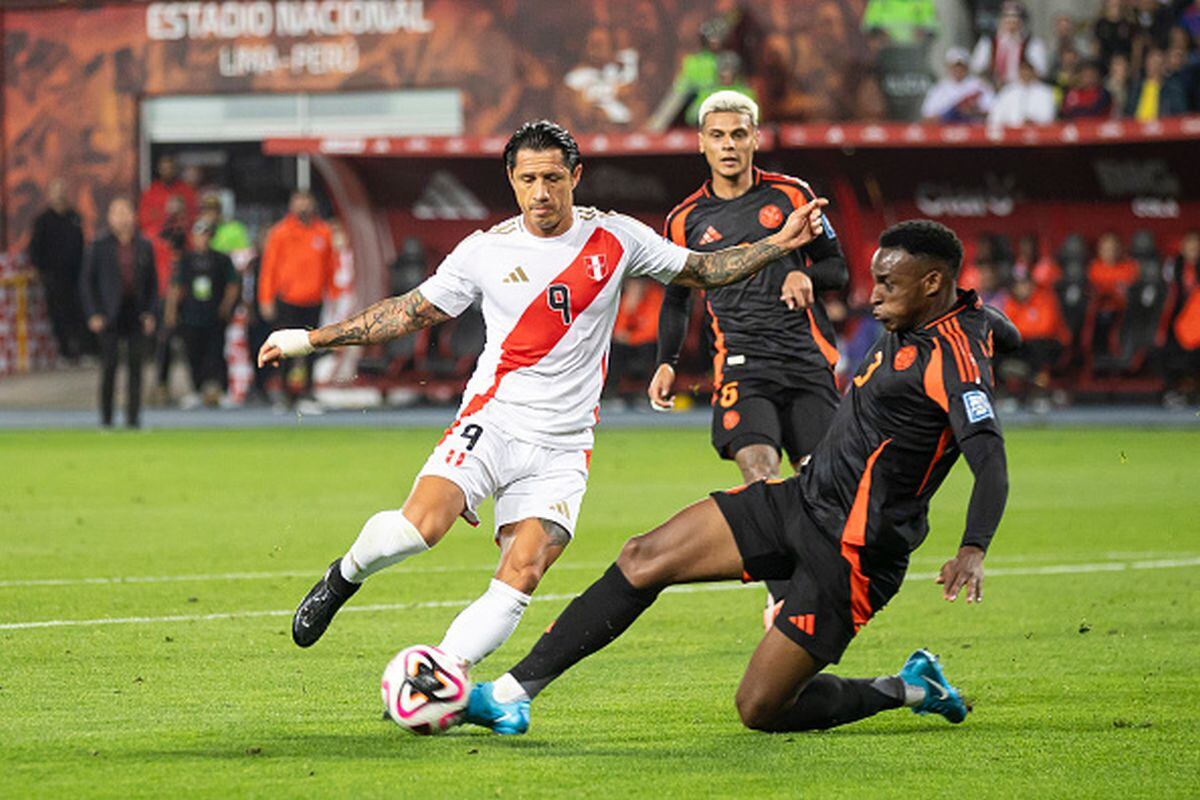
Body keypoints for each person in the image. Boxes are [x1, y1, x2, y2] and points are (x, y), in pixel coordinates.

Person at [258, 121, 829, 674]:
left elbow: (703, 270)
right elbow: (409, 310)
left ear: (575, 177)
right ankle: (346, 574)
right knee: (417, 531)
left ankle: (439, 673)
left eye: (553, 178)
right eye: (528, 179)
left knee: (523, 571)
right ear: (512, 180)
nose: (541, 193)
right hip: (495, 421)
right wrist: (310, 339)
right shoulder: (484, 251)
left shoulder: (616, 237)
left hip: (563, 446)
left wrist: (777, 242)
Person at [465, 220, 1011, 736]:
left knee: (761, 708)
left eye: (888, 284)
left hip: (853, 555)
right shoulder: (937, 319)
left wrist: (973, 548)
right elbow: (995, 327)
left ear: (933, 283)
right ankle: (513, 692)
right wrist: (987, 325)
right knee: (642, 557)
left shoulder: (953, 360)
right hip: (801, 501)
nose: (873, 295)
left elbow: (989, 458)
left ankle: (910, 688)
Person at [649, 90, 847, 619]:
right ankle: (784, 601)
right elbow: (676, 296)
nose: (729, 145)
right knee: (760, 475)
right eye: (717, 135)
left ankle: (809, 579)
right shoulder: (684, 219)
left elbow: (838, 268)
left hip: (807, 360)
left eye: (739, 134)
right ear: (701, 144)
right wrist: (667, 360)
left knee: (825, 491)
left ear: (755, 138)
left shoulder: (792, 196)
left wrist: (807, 272)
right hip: (741, 364)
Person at [80, 197, 158, 429]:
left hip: (135, 312)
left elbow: (153, 283)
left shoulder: (143, 245)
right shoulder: (99, 245)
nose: (122, 218)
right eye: (117, 213)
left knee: (136, 367)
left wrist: (150, 312)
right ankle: (106, 418)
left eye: (126, 212)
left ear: (133, 216)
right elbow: (87, 282)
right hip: (108, 314)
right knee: (110, 365)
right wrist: (93, 313)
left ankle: (133, 419)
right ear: (110, 217)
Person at [257, 190, 336, 412]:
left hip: (314, 299)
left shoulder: (323, 231)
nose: (302, 206)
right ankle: (284, 393)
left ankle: (308, 392)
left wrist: (333, 295)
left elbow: (330, 266)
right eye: (298, 202)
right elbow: (269, 268)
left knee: (313, 346)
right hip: (288, 299)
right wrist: (266, 298)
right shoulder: (281, 232)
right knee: (284, 347)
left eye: (306, 201)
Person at [164, 219, 241, 408]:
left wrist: (226, 306)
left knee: (216, 354)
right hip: (191, 315)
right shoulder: (186, 260)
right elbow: (175, 287)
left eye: (206, 234)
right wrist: (171, 311)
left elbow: (233, 284)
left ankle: (222, 391)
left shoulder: (221, 259)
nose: (203, 239)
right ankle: (197, 390)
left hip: (214, 315)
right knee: (193, 354)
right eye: (199, 235)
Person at [27, 178, 87, 360]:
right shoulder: (42, 220)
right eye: (56, 190)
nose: (60, 194)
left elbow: (81, 244)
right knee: (58, 315)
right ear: (50, 194)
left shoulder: (74, 217)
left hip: (76, 275)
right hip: (53, 276)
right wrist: (40, 270)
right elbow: (34, 249)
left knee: (78, 313)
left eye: (62, 189)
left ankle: (82, 351)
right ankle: (64, 353)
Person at [971, 1, 1048, 87]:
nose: (1011, 27)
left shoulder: (1033, 44)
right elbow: (976, 68)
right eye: (1007, 21)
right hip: (993, 88)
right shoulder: (988, 42)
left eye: (1015, 22)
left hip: (1020, 88)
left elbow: (1040, 72)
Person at [921, 46, 995, 122]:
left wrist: (973, 112)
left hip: (973, 129)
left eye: (961, 66)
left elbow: (993, 112)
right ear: (948, 67)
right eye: (955, 66)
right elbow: (927, 117)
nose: (958, 69)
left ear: (967, 66)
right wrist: (948, 115)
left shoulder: (980, 85)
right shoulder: (939, 88)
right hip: (947, 130)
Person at [987, 57, 1057, 127]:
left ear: (1033, 72)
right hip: (1010, 133)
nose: (1025, 73)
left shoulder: (1045, 92)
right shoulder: (1007, 91)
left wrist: (1033, 121)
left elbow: (1049, 117)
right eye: (1023, 70)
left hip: (1037, 132)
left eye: (1027, 70)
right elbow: (995, 116)